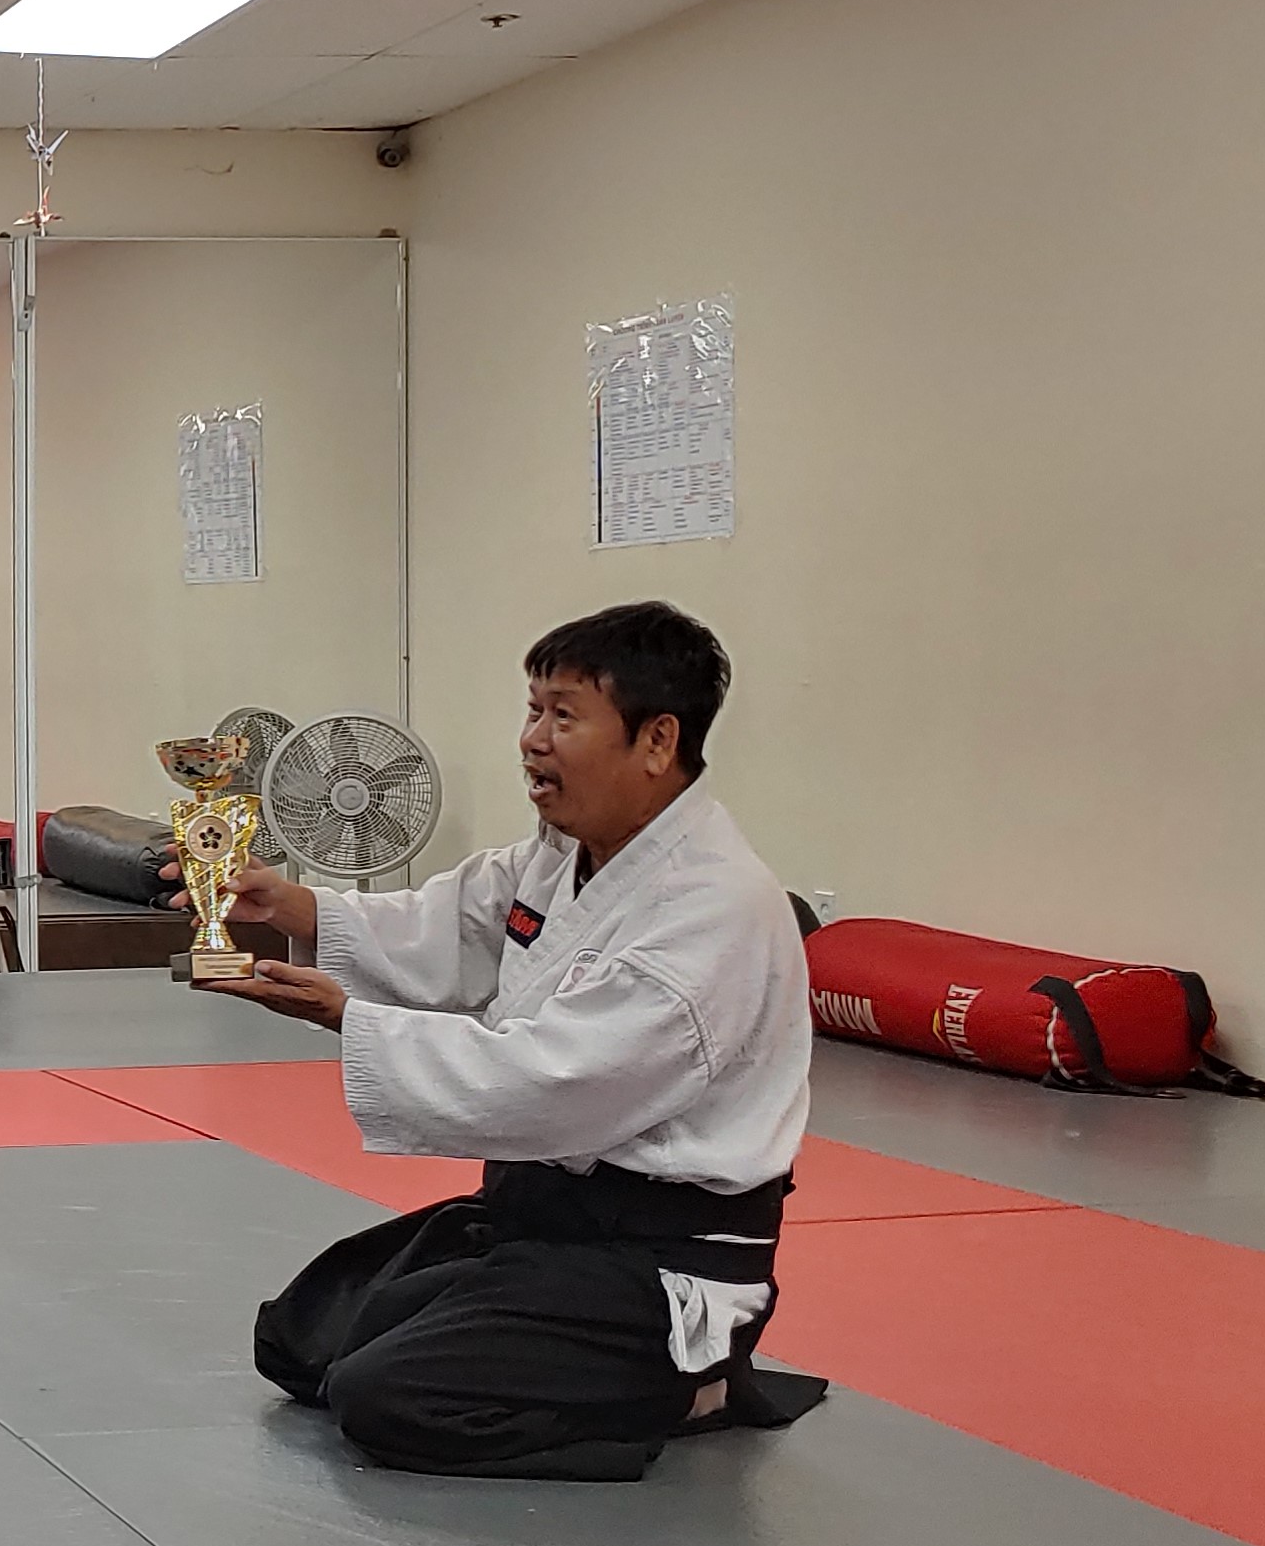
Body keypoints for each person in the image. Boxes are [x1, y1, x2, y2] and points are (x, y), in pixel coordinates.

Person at [198, 601, 825, 1481]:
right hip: (539, 1221)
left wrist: (352, 1017)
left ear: (657, 741)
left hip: (655, 1260)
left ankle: (692, 1386)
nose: (532, 739)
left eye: (563, 715)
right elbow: (451, 925)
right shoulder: (566, 852)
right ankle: (555, 1338)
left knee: (390, 1400)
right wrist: (294, 906)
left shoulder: (710, 913)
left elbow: (553, 1085)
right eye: (533, 709)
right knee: (301, 1342)